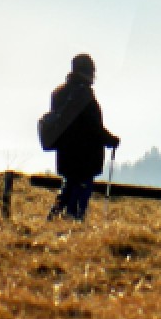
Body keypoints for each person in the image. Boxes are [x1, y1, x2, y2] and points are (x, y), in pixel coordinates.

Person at [46, 53, 120, 221]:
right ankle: (73, 223)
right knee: (80, 192)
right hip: (85, 157)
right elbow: (93, 127)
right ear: (86, 71)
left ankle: (54, 219)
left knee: (68, 187)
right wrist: (111, 140)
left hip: (65, 153)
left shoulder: (59, 93)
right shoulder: (84, 95)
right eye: (92, 71)